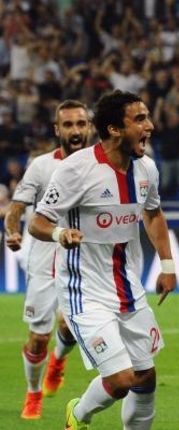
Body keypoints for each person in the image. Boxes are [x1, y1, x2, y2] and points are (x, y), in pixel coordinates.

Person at [27, 90, 176, 429]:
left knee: (146, 377)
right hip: (85, 293)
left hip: (128, 289)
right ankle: (78, 414)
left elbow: (153, 215)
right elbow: (38, 221)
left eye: (147, 117)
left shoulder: (146, 169)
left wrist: (167, 265)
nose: (149, 126)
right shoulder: (76, 170)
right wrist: (59, 235)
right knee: (123, 380)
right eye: (139, 119)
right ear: (113, 129)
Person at [4, 100, 91, 419]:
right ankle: (34, 393)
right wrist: (11, 233)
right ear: (57, 130)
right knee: (39, 337)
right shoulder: (41, 166)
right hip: (43, 262)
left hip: (83, 261)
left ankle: (59, 361)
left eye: (81, 124)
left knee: (68, 327)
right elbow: (16, 208)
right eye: (68, 125)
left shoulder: (102, 164)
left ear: (90, 127)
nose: (75, 130)